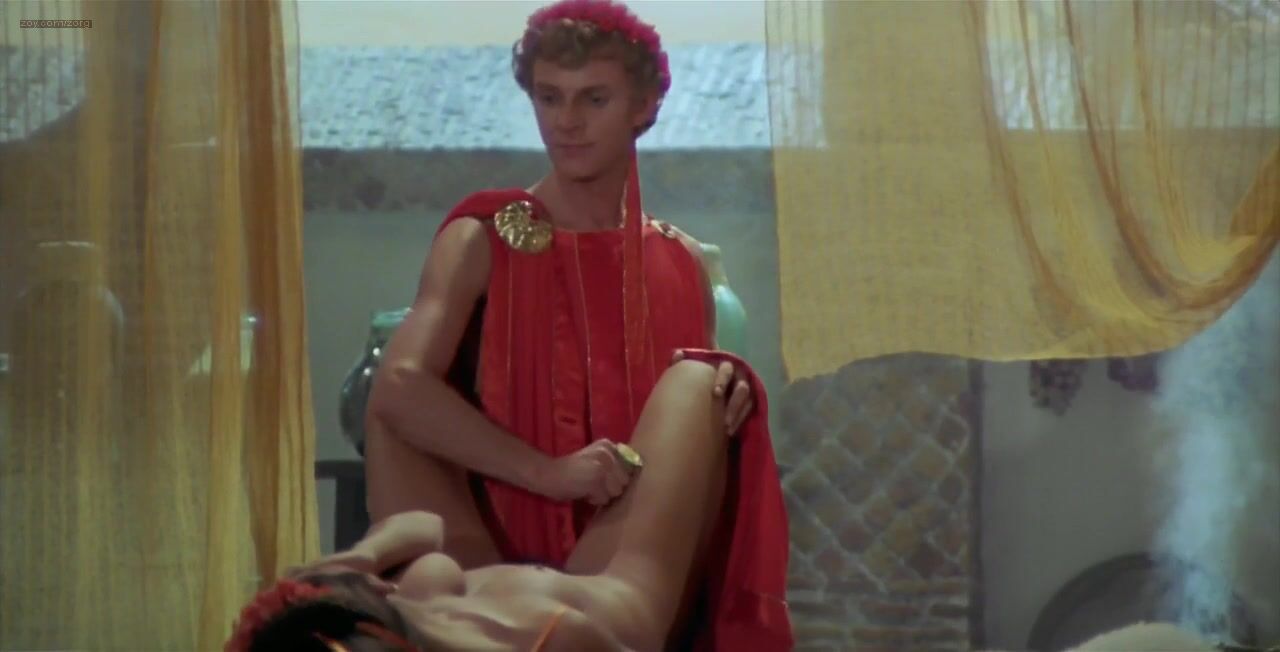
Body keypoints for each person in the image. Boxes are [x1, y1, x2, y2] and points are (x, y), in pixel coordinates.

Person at [362, 0, 791, 648]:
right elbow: (398, 387)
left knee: (703, 383)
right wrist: (548, 472)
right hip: (483, 549)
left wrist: (727, 390)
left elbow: (685, 469)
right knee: (394, 405)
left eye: (594, 99)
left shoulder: (681, 262)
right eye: (549, 97)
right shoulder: (484, 234)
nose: (566, 121)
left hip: (618, 567)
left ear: (644, 106)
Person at [226, 359, 762, 651]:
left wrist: (363, 556)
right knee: (699, 379)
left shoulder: (376, 613)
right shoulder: (550, 637)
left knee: (396, 401)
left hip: (486, 588)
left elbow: (423, 526)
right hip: (613, 589)